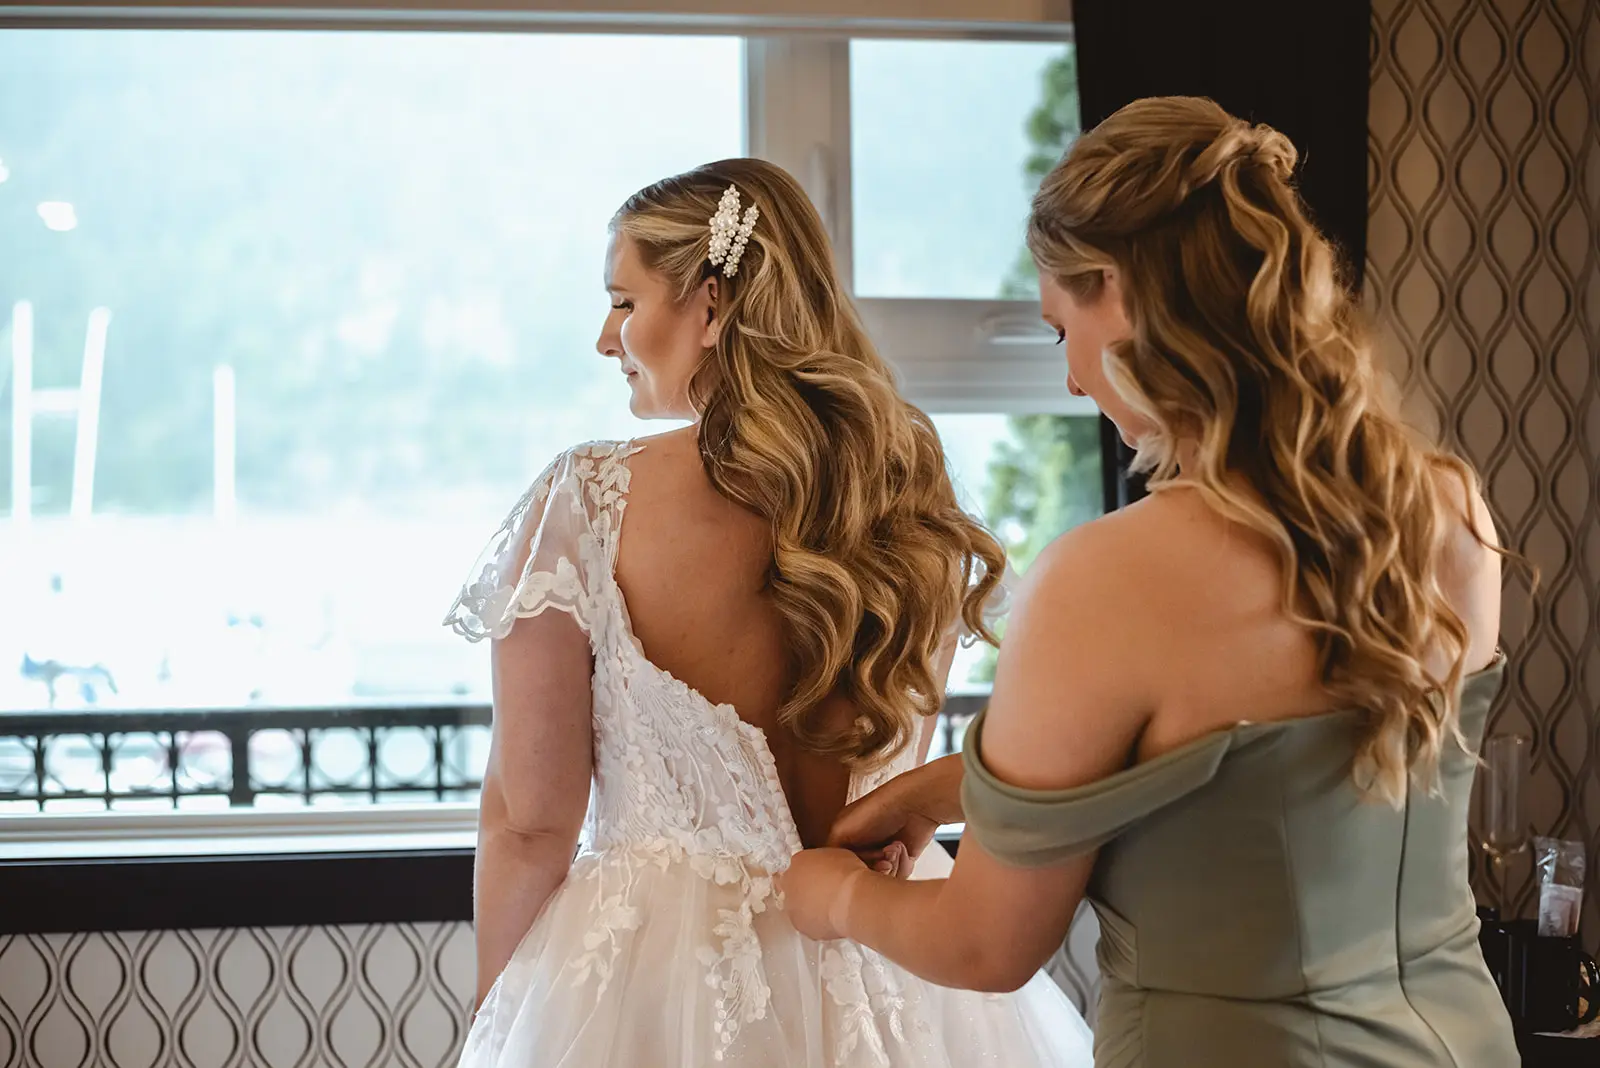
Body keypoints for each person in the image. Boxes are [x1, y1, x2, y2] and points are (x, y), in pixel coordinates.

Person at [782, 96, 1521, 1068]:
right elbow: (1272, 783)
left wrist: (833, 897)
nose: (1071, 382)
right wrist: (939, 792)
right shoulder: (1450, 510)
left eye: (1061, 332)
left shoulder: (1106, 578)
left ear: (1121, 293)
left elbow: (985, 943)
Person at [443, 157, 1094, 1066]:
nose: (606, 337)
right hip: (896, 964)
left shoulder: (588, 503)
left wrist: (498, 1021)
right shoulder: (908, 499)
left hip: (652, 989)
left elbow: (529, 823)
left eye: (625, 302)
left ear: (710, 307)